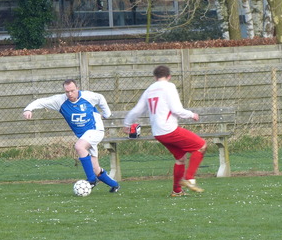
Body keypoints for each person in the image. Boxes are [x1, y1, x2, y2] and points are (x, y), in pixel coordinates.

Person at [23, 79, 120, 193]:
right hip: (84, 136)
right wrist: (28, 109)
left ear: (77, 88)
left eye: (72, 91)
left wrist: (106, 114)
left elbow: (100, 98)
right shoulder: (60, 101)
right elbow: (42, 101)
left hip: (95, 130)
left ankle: (91, 181)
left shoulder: (88, 96)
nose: (70, 94)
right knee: (95, 169)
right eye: (67, 91)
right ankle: (115, 185)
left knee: (79, 146)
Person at [123, 65, 206, 196]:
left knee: (180, 158)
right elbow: (176, 109)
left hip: (158, 133)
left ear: (155, 77)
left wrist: (127, 123)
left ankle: (177, 191)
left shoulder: (149, 90)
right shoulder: (169, 86)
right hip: (169, 130)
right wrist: (191, 114)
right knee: (201, 146)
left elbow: (137, 110)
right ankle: (189, 178)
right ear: (169, 76)